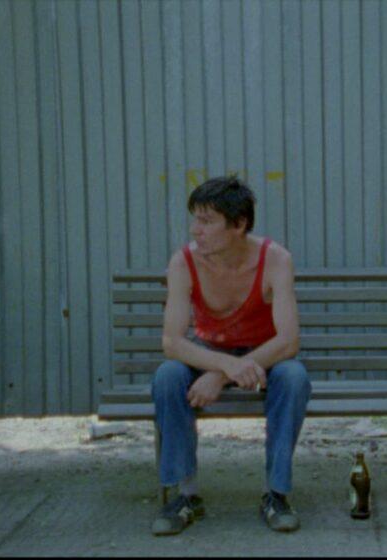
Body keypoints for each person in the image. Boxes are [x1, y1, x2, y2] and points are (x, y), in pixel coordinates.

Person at [150, 176, 311, 536]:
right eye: (194, 219)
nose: (195, 231)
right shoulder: (183, 263)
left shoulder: (276, 259)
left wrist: (222, 375)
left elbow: (288, 341)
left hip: (264, 356)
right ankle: (185, 495)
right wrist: (223, 364)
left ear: (238, 225)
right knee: (167, 376)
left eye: (206, 222)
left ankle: (277, 494)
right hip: (210, 351)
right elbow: (172, 343)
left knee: (295, 376)